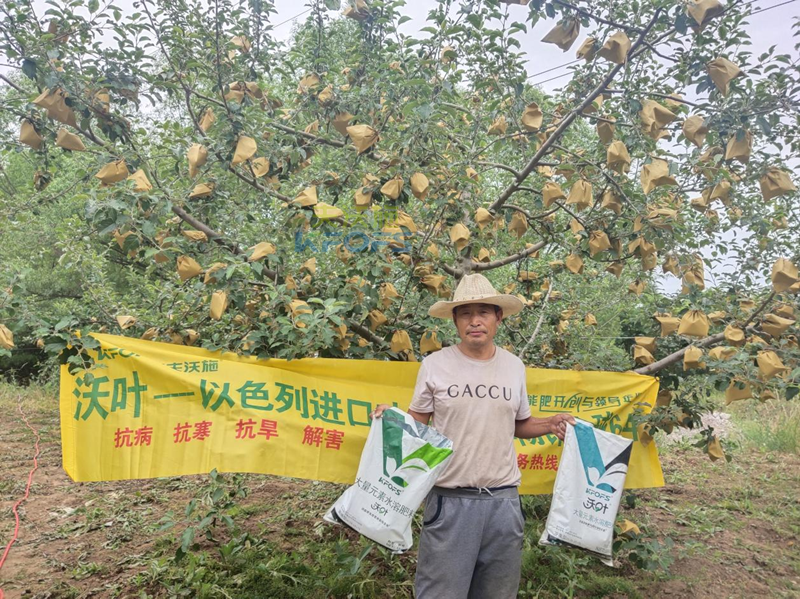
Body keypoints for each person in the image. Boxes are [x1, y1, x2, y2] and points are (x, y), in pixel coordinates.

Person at [370, 273, 575, 599]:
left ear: (498, 317)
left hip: (503, 504)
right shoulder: (435, 364)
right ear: (455, 320)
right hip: (449, 502)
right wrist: (392, 420)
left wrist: (551, 424)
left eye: (483, 312)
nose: (474, 320)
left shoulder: (513, 366)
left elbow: (519, 424)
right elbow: (417, 426)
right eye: (466, 313)